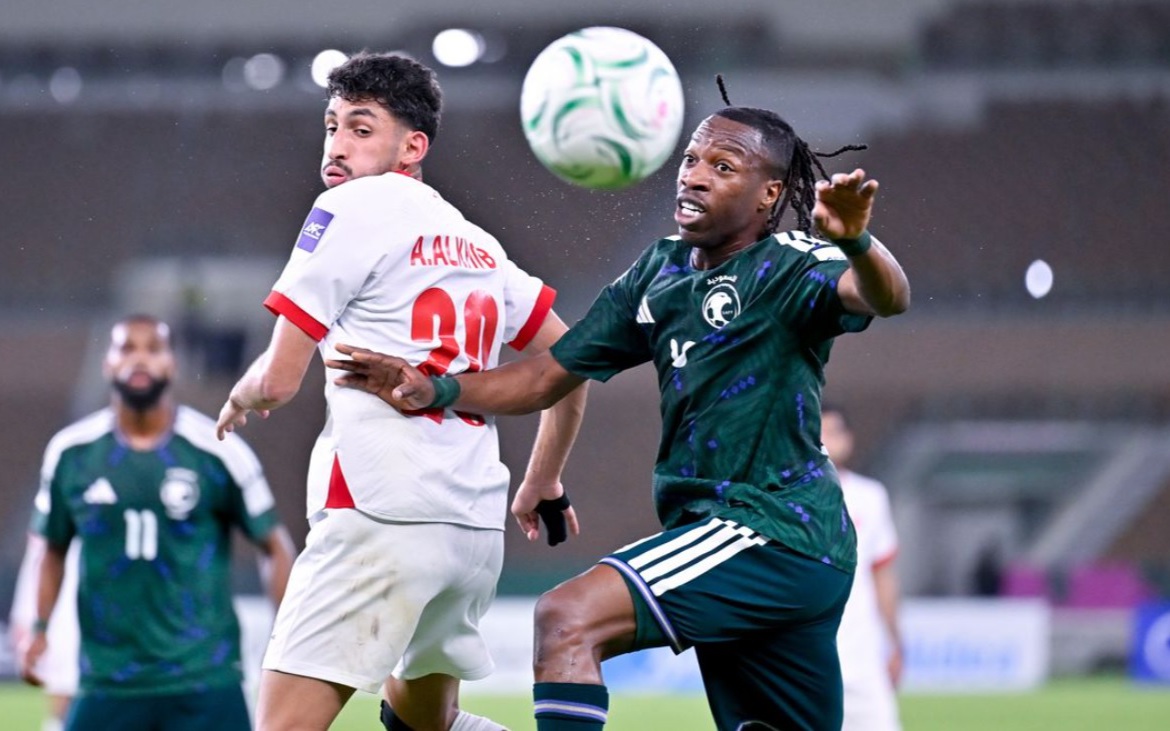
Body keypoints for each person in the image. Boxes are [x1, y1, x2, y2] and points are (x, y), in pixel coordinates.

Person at [325, 79, 911, 731]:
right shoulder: (660, 272)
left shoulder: (789, 263)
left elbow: (884, 296)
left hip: (770, 527)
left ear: (769, 194)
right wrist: (436, 388)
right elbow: (549, 373)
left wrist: (858, 241)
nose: (695, 176)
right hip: (741, 539)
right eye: (692, 159)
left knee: (567, 619)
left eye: (723, 167)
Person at [215, 51, 586, 731]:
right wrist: (544, 479)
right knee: (423, 725)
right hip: (471, 528)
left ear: (413, 147)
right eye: (332, 126)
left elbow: (278, 380)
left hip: (379, 511)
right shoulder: (479, 245)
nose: (336, 145)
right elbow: (572, 363)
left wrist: (242, 395)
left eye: (361, 129)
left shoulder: (348, 207)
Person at [18, 314, 295, 731]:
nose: (140, 359)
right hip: (108, 678)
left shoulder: (216, 449)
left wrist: (287, 636)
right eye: (127, 348)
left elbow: (273, 545)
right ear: (107, 362)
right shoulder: (72, 454)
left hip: (205, 676)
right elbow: (51, 548)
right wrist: (38, 627)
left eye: (154, 348)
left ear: (173, 363)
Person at [820, 404, 903, 731]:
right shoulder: (784, 499)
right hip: (809, 658)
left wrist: (894, 639)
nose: (827, 441)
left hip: (863, 658)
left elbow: (882, 574)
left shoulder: (871, 496)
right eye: (818, 433)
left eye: (834, 432)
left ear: (849, 439)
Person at [9, 535, 80, 731]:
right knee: (63, 691)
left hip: (93, 619)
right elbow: (36, 562)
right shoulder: (53, 519)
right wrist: (23, 616)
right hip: (61, 619)